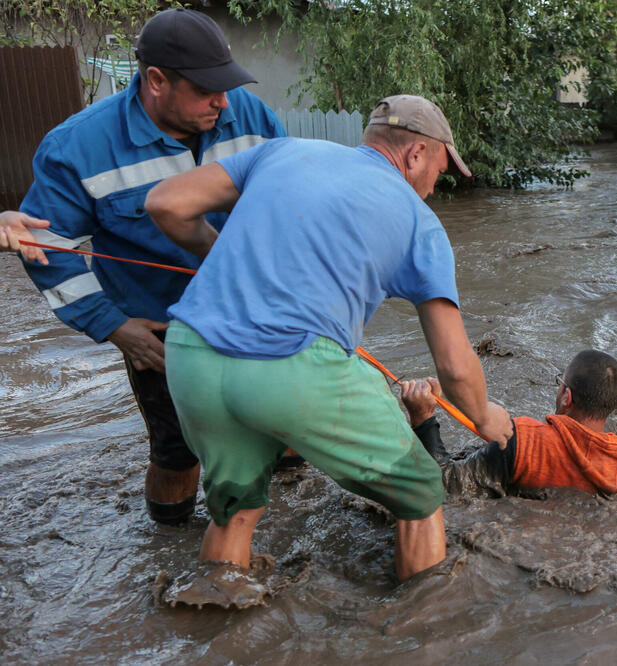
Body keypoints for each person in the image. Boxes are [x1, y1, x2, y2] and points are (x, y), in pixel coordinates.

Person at [145, 94, 513, 582]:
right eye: (441, 171)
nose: (433, 186)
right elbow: (454, 364)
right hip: (291, 367)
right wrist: (486, 417)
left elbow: (165, 203)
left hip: (190, 354)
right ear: (417, 154)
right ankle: (429, 633)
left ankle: (218, 624)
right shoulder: (420, 222)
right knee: (422, 491)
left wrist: (217, 254)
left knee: (234, 509)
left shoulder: (282, 150)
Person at [17, 8, 286, 526]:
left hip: (254, 310)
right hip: (161, 330)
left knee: (281, 422)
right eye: (208, 90)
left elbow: (286, 201)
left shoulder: (249, 116)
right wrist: (115, 328)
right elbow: (51, 249)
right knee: (176, 452)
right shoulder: (77, 147)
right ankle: (167, 538)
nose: (223, 102)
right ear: (156, 81)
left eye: (226, 86)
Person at [400, 350, 617, 497]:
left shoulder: (522, 442)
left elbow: (444, 487)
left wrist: (423, 418)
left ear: (566, 397)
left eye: (560, 383)